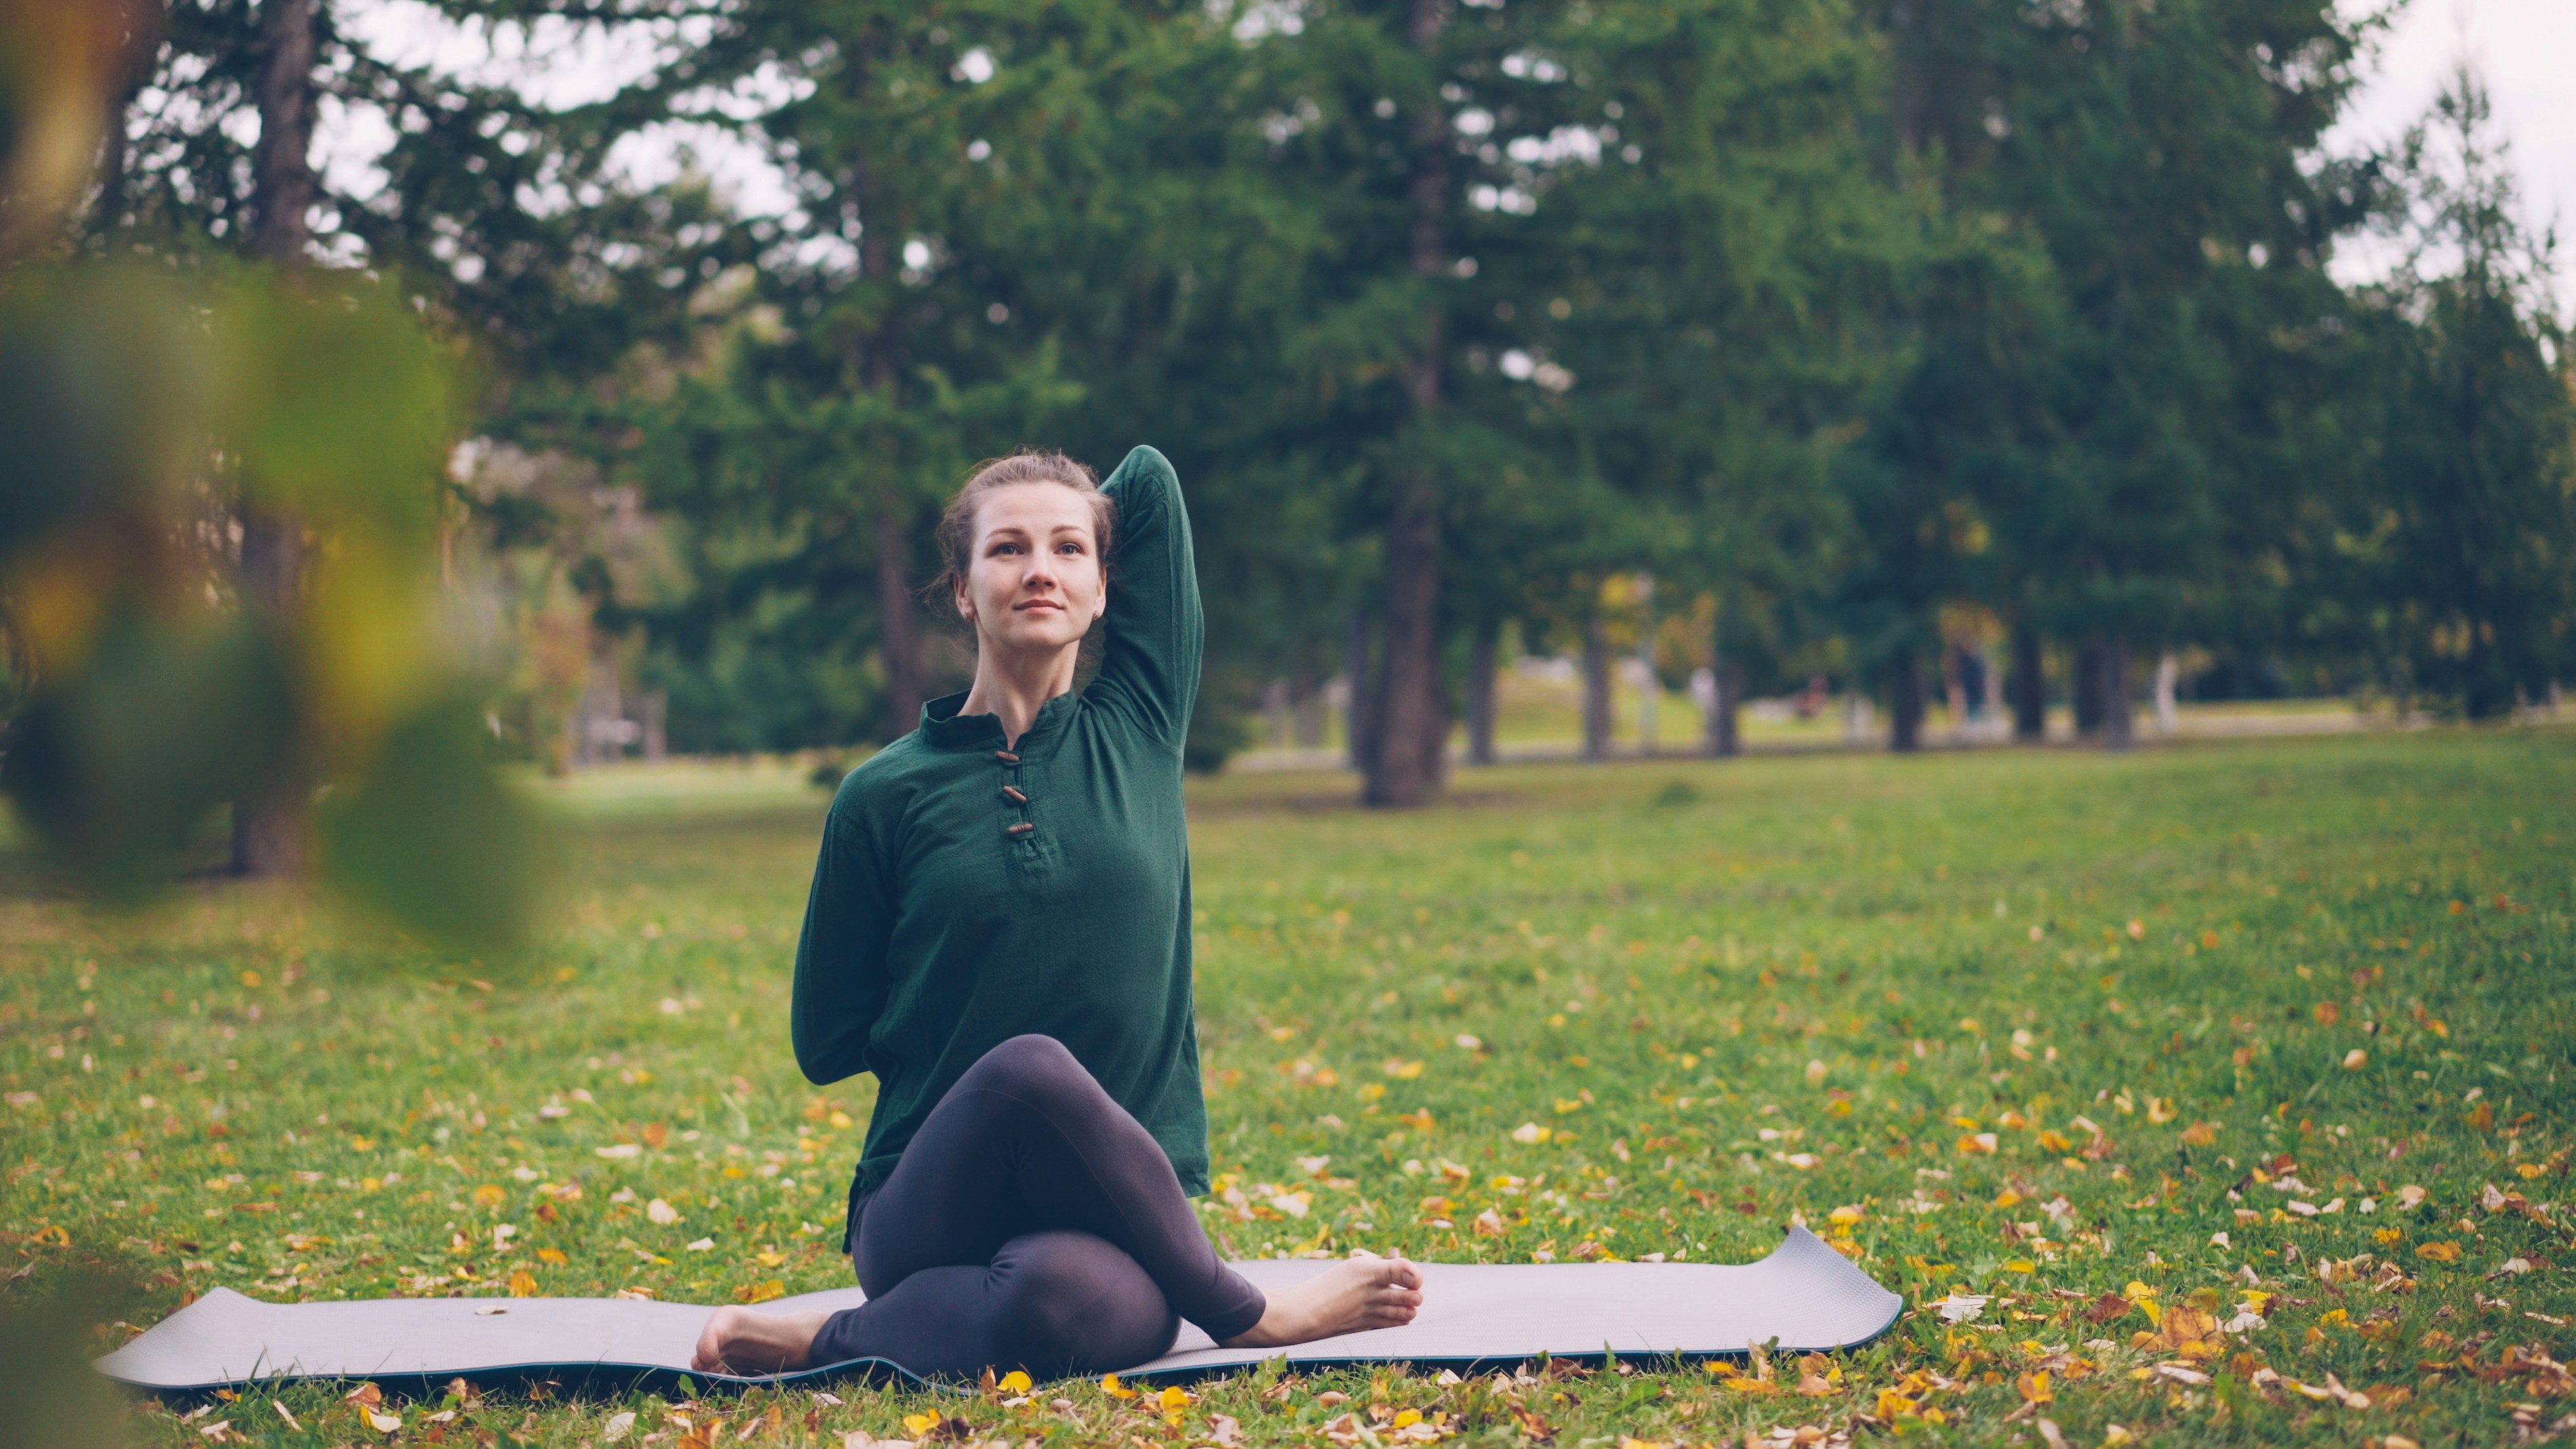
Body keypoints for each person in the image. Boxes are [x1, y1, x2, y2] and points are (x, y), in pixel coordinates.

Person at [691, 447, 1424, 1379]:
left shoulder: (1142, 727)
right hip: (928, 1198)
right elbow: (826, 1040)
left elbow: (1151, 481)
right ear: (962, 591)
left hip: (1110, 1216)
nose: (1040, 568)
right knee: (1031, 1068)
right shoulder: (882, 795)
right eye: (1007, 549)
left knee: (1050, 1306)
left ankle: (819, 1337)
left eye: (1069, 549)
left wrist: (1055, 506)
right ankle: (1256, 1313)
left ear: (1105, 588)